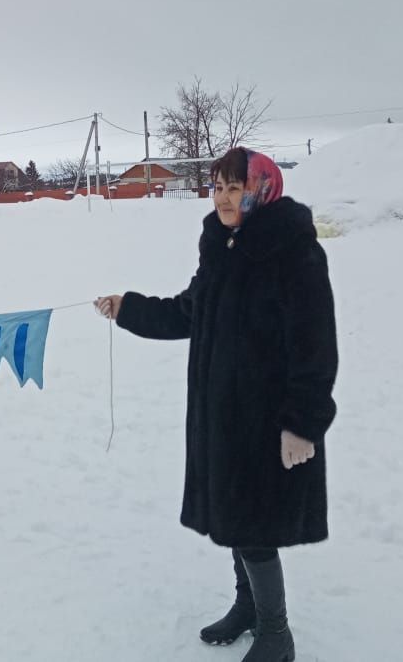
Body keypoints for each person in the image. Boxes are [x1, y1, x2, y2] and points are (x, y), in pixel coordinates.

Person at [95, 148, 337, 662]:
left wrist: (302, 424)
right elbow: (191, 312)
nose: (224, 198)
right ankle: (247, 606)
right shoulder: (223, 247)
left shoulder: (293, 252)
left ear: (261, 189)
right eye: (218, 187)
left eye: (235, 187)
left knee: (255, 527)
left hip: (269, 418)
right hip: (223, 414)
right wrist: (128, 309)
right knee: (236, 516)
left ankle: (277, 633)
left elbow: (316, 346)